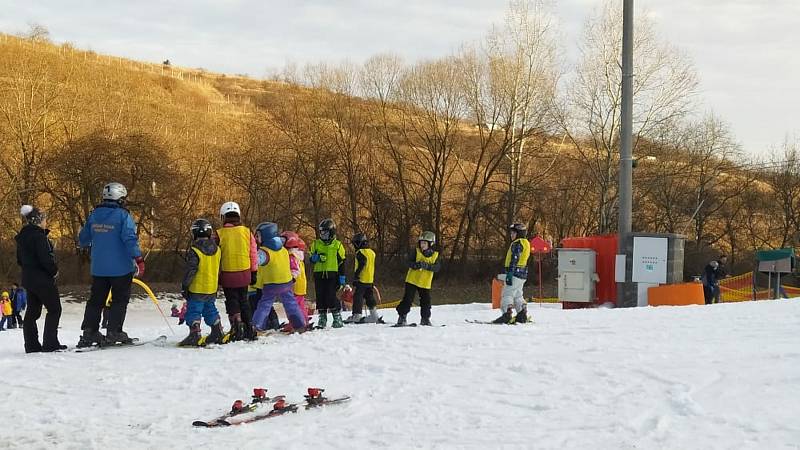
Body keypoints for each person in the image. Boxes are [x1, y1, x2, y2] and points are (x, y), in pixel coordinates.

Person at [77, 182, 144, 348]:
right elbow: (129, 239)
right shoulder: (123, 216)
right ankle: (114, 331)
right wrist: (139, 259)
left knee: (95, 300)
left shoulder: (94, 215)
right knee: (119, 300)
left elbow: (83, 239)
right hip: (121, 268)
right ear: (119, 199)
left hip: (99, 268)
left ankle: (89, 331)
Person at [15, 205, 65, 352]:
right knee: (55, 309)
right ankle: (50, 343)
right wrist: (54, 271)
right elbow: (45, 259)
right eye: (44, 219)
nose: (45, 222)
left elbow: (19, 260)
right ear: (37, 220)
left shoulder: (22, 238)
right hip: (43, 279)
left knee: (32, 312)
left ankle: (31, 345)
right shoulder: (39, 237)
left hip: (28, 279)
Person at [213, 201, 257, 341]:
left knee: (232, 301)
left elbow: (215, 256)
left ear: (223, 217)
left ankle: (237, 325)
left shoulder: (219, 234)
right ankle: (250, 326)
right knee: (244, 300)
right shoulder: (247, 232)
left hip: (228, 273)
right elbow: (253, 253)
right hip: (245, 272)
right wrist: (254, 271)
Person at [251, 222, 305, 332]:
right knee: (291, 304)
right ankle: (299, 324)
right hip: (286, 282)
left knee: (264, 304)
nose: (257, 238)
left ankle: (257, 325)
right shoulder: (283, 250)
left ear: (266, 236)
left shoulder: (264, 252)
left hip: (271, 283)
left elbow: (255, 263)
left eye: (259, 236)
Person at [179, 219, 225, 347]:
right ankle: (217, 330)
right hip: (211, 288)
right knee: (210, 309)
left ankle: (195, 333)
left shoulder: (195, 250)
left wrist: (185, 286)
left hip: (197, 288)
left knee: (194, 310)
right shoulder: (218, 250)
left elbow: (191, 270)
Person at [396, 231, 441, 326]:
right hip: (412, 280)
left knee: (426, 301)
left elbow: (437, 268)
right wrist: (415, 265)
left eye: (425, 243)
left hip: (425, 283)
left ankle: (425, 318)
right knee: (408, 299)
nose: (422, 245)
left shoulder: (435, 255)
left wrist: (428, 266)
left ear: (430, 244)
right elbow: (407, 262)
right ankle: (402, 316)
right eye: (421, 243)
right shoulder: (416, 252)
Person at [309, 219, 346, 329]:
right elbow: (310, 258)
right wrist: (315, 258)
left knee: (330, 296)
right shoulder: (316, 244)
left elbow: (342, 262)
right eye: (321, 233)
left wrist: (342, 278)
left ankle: (337, 317)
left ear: (331, 233)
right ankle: (322, 317)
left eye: (325, 233)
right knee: (320, 296)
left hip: (332, 275)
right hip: (319, 275)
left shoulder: (337, 245)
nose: (323, 235)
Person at [493, 223, 531, 324]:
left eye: (513, 233)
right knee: (518, 294)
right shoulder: (526, 243)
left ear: (519, 234)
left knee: (507, 293)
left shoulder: (517, 244)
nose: (511, 235)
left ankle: (507, 314)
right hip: (522, 274)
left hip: (514, 273)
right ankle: (522, 313)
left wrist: (510, 272)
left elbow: (515, 258)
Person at [345, 233, 379, 324]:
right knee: (369, 296)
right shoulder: (372, 253)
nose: (354, 246)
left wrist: (356, 275)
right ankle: (374, 314)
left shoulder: (360, 252)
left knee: (358, 296)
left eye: (355, 243)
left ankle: (357, 314)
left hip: (361, 279)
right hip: (370, 280)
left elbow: (362, 263)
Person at [281, 230, 309, 331]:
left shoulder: (291, 257)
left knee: (292, 306)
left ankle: (296, 323)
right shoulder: (298, 257)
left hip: (294, 285)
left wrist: (290, 280)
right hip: (300, 285)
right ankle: (304, 320)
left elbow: (294, 270)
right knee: (300, 305)